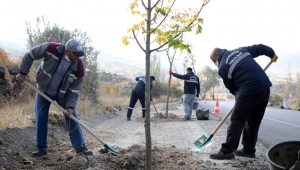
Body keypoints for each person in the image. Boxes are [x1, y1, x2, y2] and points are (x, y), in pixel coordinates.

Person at [16, 39, 93, 158]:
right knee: (41, 116)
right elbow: (30, 55)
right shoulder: (51, 48)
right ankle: (41, 148)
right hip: (43, 89)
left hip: (63, 94)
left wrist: (70, 106)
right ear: (67, 51)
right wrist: (22, 72)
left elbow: (75, 90)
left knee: (71, 117)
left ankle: (80, 146)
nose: (78, 57)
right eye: (75, 54)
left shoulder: (79, 68)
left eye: (80, 54)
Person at [209, 44, 278, 160]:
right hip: (264, 87)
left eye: (214, 60)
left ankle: (227, 151)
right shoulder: (241, 50)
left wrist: (240, 100)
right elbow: (260, 48)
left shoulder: (222, 68)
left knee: (236, 120)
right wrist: (272, 54)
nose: (214, 63)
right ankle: (248, 150)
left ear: (218, 55)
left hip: (249, 89)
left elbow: (232, 88)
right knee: (253, 121)